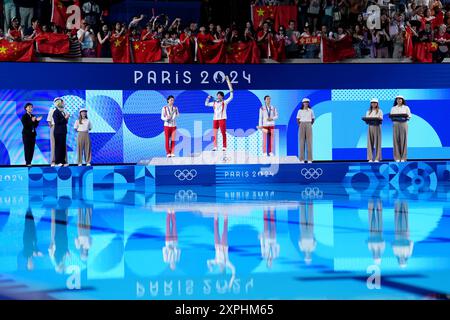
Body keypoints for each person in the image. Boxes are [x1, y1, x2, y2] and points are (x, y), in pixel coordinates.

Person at [205, 76, 234, 151]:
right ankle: (215, 146)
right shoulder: (214, 103)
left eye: (219, 95)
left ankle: (224, 147)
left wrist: (228, 82)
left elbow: (231, 96)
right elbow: (206, 104)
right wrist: (208, 98)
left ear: (222, 97)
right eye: (217, 95)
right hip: (215, 119)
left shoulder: (225, 102)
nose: (218, 96)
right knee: (215, 133)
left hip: (222, 119)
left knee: (223, 133)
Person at [390, 95, 412, 162]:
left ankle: (403, 158)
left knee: (403, 141)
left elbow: (409, 116)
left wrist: (404, 118)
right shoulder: (393, 108)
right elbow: (391, 116)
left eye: (400, 99)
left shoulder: (406, 107)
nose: (399, 100)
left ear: (402, 100)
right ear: (396, 100)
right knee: (396, 141)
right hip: (396, 124)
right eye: (397, 99)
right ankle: (397, 157)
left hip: (403, 124)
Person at [52, 99, 70, 167]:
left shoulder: (63, 111)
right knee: (58, 146)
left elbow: (65, 122)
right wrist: (65, 118)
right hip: (58, 132)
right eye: (62, 103)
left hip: (63, 131)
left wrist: (66, 118)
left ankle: (63, 161)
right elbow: (57, 122)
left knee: (62, 147)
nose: (64, 104)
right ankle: (58, 161)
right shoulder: (55, 112)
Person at [297, 98, 315, 163]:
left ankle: (310, 159)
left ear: (308, 103)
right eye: (305, 102)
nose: (306, 103)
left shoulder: (311, 111)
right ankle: (301, 159)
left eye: (307, 102)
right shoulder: (300, 111)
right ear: (303, 103)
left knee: (309, 142)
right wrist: (301, 125)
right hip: (301, 124)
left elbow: (313, 119)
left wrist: (309, 124)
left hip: (309, 124)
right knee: (301, 142)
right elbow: (298, 119)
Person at [365, 98, 383, 162]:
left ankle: (377, 158)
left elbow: (381, 119)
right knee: (370, 143)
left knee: (377, 143)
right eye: (372, 103)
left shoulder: (380, 111)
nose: (373, 104)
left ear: (377, 104)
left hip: (377, 127)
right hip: (370, 127)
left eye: (375, 103)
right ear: (370, 104)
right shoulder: (368, 111)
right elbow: (366, 119)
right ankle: (370, 158)